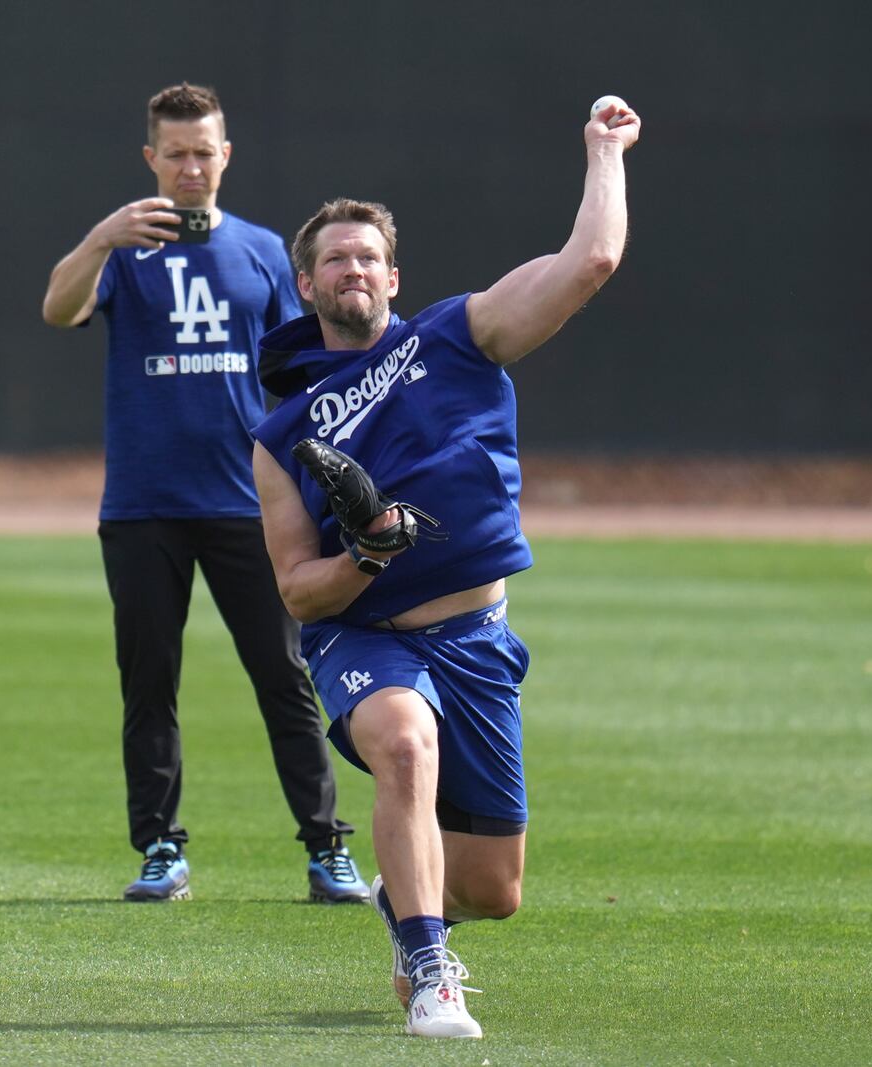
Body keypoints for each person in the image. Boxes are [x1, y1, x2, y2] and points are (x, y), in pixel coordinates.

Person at [250, 97, 640, 1038]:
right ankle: (431, 970)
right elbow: (299, 589)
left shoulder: (457, 335)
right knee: (404, 745)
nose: (354, 267)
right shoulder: (283, 436)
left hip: (477, 639)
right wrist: (368, 553)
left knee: (493, 889)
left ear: (395, 276)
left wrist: (603, 151)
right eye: (335, 257)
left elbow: (589, 261)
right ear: (307, 284)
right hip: (366, 635)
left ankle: (410, 901)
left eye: (369, 256)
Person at [40, 82, 367, 906]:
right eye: (175, 153)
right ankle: (159, 846)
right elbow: (56, 309)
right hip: (145, 504)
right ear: (151, 159)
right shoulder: (122, 250)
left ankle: (327, 848)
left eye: (203, 150)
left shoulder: (259, 250)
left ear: (227, 154)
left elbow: (302, 365)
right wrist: (100, 238)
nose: (190, 167)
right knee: (150, 681)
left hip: (249, 503)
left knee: (286, 676)